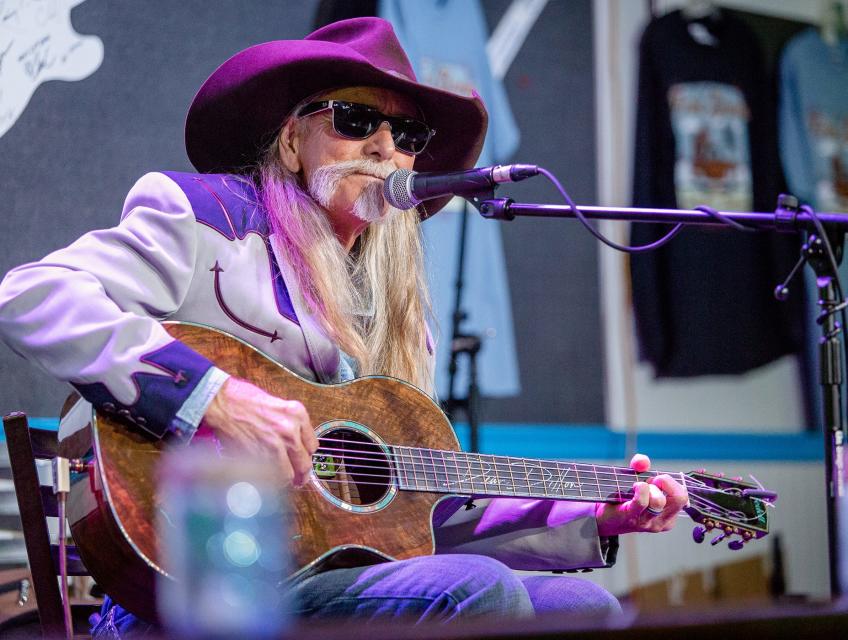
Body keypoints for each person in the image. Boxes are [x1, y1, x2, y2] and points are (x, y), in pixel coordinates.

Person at [0, 17, 687, 635]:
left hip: (328, 580)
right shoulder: (204, 218)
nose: (385, 146)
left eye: (408, 135)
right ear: (293, 141)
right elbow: (32, 294)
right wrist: (214, 397)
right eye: (355, 120)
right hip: (192, 580)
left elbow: (423, 519)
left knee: (584, 610)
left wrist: (596, 518)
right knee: (476, 591)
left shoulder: (400, 318)